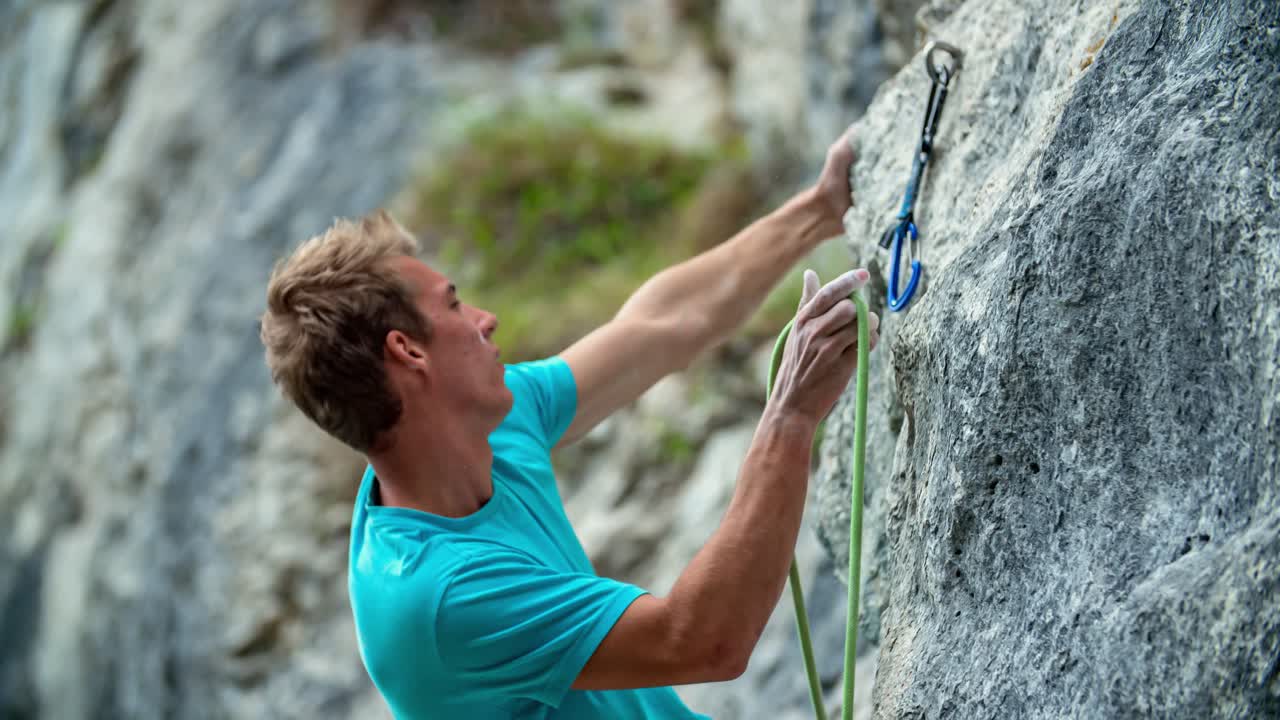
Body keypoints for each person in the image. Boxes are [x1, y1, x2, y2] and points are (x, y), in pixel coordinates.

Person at [258, 128, 879, 719]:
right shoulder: (437, 600)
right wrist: (790, 418)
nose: (485, 318)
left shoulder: (483, 423)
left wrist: (821, 209)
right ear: (409, 353)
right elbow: (702, 640)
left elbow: (661, 327)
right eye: (453, 303)